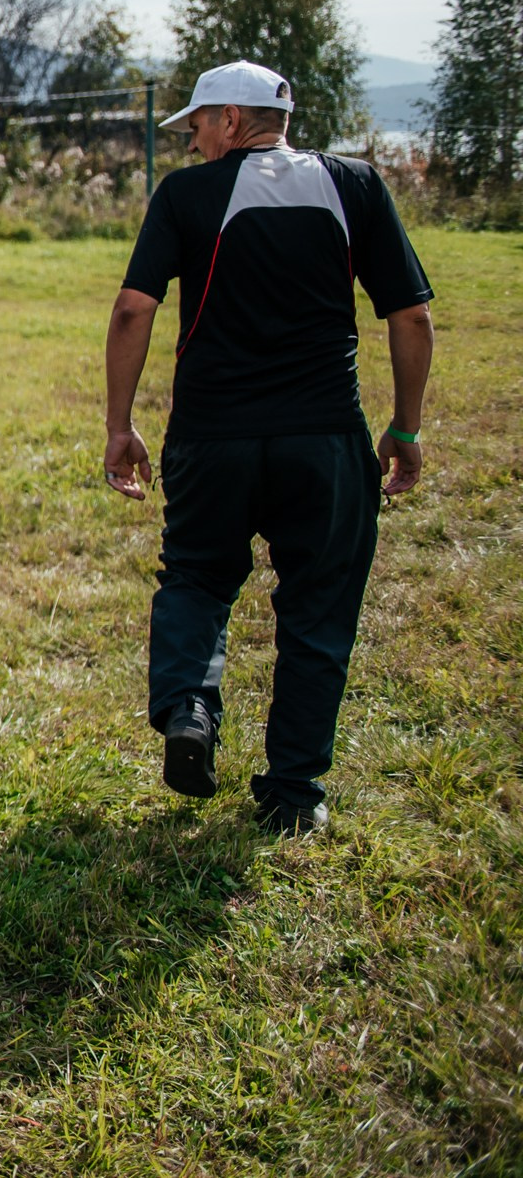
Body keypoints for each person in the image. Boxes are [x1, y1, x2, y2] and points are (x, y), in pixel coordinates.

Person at [103, 59, 434, 837]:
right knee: (319, 611)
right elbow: (410, 318)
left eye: (195, 127)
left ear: (229, 119)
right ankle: (295, 794)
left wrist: (120, 427)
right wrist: (407, 427)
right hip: (325, 440)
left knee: (195, 578)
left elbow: (131, 310)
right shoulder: (354, 185)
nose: (193, 144)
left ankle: (189, 705)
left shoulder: (187, 195)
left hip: (211, 439)